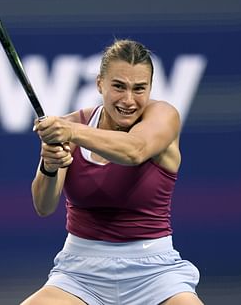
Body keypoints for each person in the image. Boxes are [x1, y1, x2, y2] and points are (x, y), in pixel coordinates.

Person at [21, 39, 204, 305]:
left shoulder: (164, 116)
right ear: (100, 84)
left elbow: (135, 150)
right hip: (79, 273)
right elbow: (44, 206)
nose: (128, 100)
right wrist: (49, 166)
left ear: (151, 88)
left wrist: (72, 132)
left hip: (155, 272)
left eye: (139, 88)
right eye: (118, 86)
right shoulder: (72, 125)